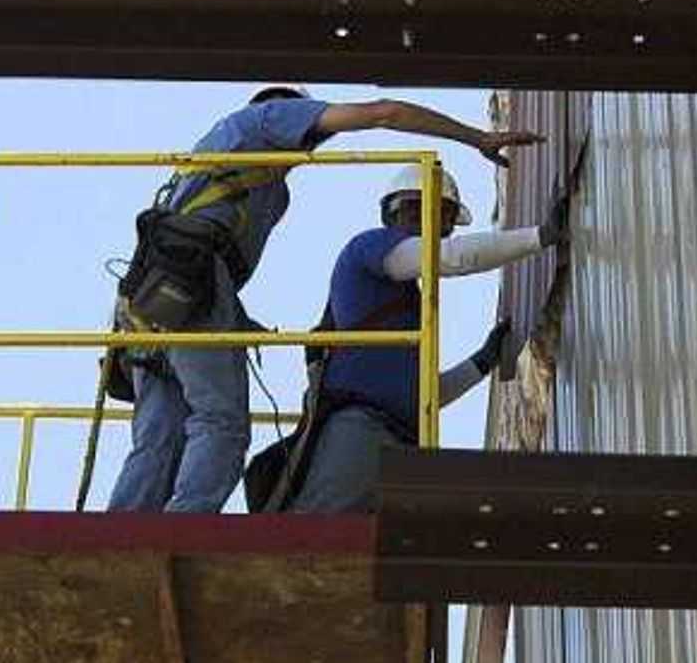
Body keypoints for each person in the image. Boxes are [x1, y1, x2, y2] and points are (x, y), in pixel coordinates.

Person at [105, 88, 534, 514]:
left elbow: (419, 393)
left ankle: (118, 537)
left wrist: (237, 324)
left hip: (149, 291)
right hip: (192, 280)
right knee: (222, 424)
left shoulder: (240, 171)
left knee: (159, 436)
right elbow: (385, 112)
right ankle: (185, 530)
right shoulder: (270, 119)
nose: (317, 139)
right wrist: (476, 138)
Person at [272, 169, 547, 515]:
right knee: (317, 536)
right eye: (418, 210)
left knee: (368, 552)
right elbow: (452, 257)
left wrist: (481, 362)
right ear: (392, 215)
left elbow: (425, 395)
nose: (429, 223)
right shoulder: (368, 248)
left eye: (441, 217)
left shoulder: (409, 314)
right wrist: (539, 237)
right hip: (358, 431)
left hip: (399, 443)